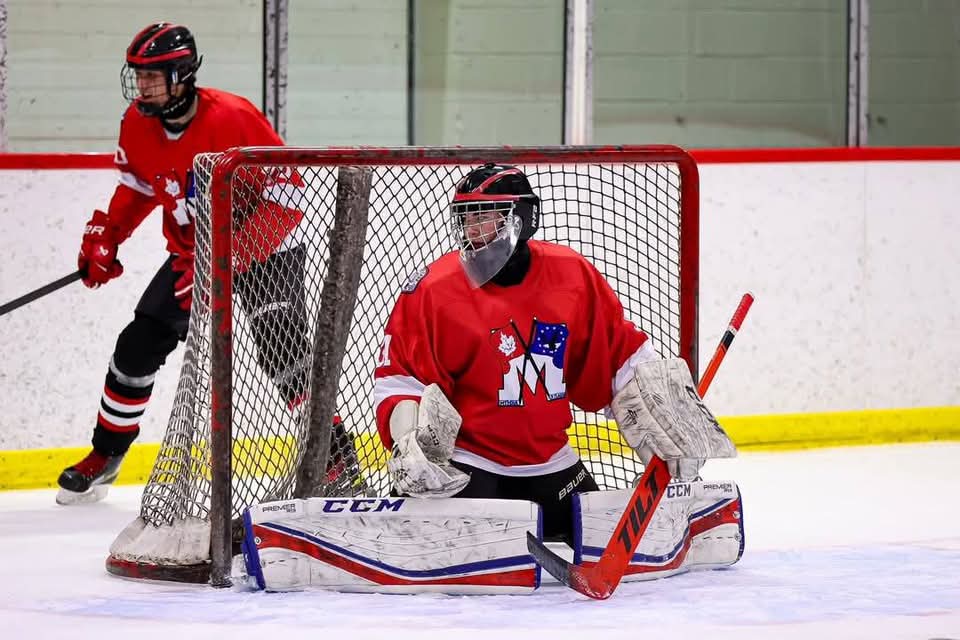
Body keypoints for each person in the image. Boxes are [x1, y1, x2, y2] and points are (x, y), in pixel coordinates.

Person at [57, 22, 355, 504]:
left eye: (153, 76)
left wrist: (223, 263)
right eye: (138, 75)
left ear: (182, 74)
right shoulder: (136, 124)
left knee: (283, 350)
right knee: (137, 345)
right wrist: (107, 236)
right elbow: (137, 188)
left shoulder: (234, 117)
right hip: (193, 252)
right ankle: (106, 456)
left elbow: (285, 198)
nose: (142, 86)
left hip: (265, 246)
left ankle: (337, 455)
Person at [372, 163, 729, 544]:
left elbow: (618, 359)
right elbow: (402, 377)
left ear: (521, 218)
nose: (473, 231)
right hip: (472, 469)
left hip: (552, 467)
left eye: (484, 217)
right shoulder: (434, 288)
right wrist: (408, 441)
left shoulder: (571, 276)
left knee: (615, 539)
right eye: (466, 217)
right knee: (450, 547)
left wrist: (667, 422)